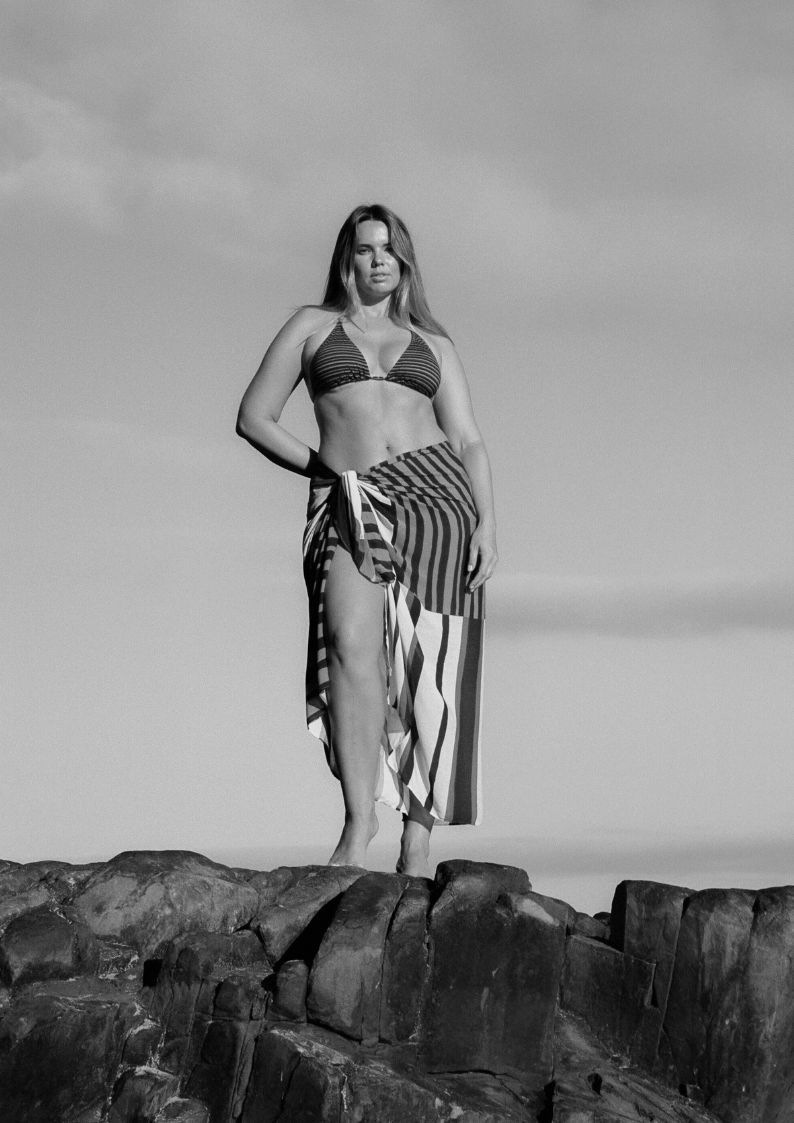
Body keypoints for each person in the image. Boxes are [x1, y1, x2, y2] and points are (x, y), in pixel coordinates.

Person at [236, 204, 497, 877]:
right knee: (351, 646)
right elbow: (254, 417)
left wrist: (487, 523)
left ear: (404, 261)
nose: (377, 260)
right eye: (364, 249)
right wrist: (321, 468)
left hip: (438, 502)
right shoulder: (311, 327)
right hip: (350, 500)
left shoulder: (433, 344)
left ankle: (418, 833)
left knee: (433, 669)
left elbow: (466, 437)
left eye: (389, 249)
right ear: (345, 259)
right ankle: (359, 821)